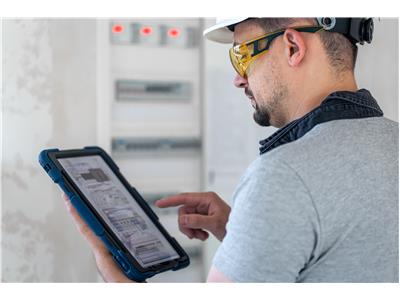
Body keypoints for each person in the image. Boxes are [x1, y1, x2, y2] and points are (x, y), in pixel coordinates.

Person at [63, 17, 398, 282]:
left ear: (293, 47)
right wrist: (246, 231)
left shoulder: (284, 176)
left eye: (241, 55)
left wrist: (109, 267)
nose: (238, 79)